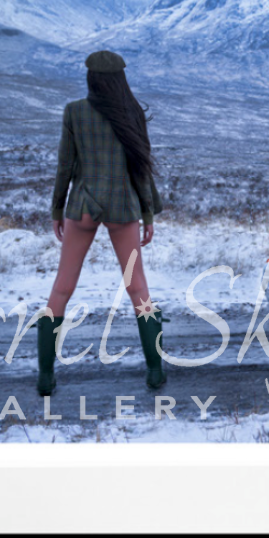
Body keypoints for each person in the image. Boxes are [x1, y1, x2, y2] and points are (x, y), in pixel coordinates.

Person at [39, 50, 166, 396]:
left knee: (62, 287)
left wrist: (56, 209)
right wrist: (149, 213)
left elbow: (65, 166)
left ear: (90, 78)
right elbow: (139, 169)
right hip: (122, 209)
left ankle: (46, 377)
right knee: (137, 288)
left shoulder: (74, 112)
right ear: (120, 79)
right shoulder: (132, 114)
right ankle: (155, 371)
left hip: (81, 207)